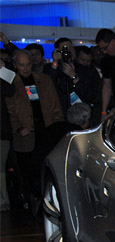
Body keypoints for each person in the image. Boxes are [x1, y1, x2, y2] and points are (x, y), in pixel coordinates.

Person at [5, 49, 64, 210]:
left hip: (46, 132)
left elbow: (56, 106)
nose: (25, 68)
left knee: (47, 171)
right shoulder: (11, 83)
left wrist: (58, 127)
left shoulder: (44, 80)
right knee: (27, 174)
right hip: (25, 136)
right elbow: (10, 111)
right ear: (15, 65)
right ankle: (32, 203)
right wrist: (18, 128)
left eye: (28, 64)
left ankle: (47, 203)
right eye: (21, 65)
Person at [44, 38, 102, 119]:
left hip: (81, 114)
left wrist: (74, 76)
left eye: (71, 48)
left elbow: (91, 94)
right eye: (65, 49)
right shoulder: (51, 68)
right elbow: (46, 86)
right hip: (60, 114)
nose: (69, 51)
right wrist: (55, 62)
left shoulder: (85, 70)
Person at [1, 57, 15, 211]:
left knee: (0, 169)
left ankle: (2, 202)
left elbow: (10, 90)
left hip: (1, 132)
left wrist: (3, 69)